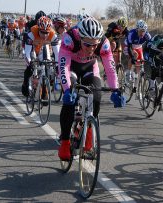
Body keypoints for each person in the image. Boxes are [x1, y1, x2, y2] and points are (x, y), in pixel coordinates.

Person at [57, 17, 125, 160]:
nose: (91, 49)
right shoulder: (69, 38)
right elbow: (63, 67)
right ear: (80, 37)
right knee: (69, 103)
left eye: (95, 45)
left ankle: (88, 130)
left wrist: (115, 90)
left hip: (89, 68)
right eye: (87, 45)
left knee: (97, 97)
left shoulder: (104, 43)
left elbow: (111, 68)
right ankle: (64, 141)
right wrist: (68, 89)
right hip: (72, 68)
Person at [21, 16, 60, 100]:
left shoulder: (53, 35)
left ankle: (44, 87)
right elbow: (27, 53)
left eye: (47, 32)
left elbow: (57, 54)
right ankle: (26, 82)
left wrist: (57, 66)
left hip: (43, 48)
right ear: (38, 29)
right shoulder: (31, 34)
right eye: (42, 32)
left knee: (47, 64)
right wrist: (30, 63)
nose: (45, 35)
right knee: (30, 67)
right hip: (33, 49)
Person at [123, 20, 152, 93]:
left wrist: (147, 56)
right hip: (129, 46)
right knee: (134, 55)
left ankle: (137, 84)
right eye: (140, 31)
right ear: (137, 30)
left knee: (141, 62)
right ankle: (129, 73)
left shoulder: (147, 35)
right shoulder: (131, 34)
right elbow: (129, 47)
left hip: (139, 46)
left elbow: (149, 47)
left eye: (143, 31)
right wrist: (132, 57)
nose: (142, 33)